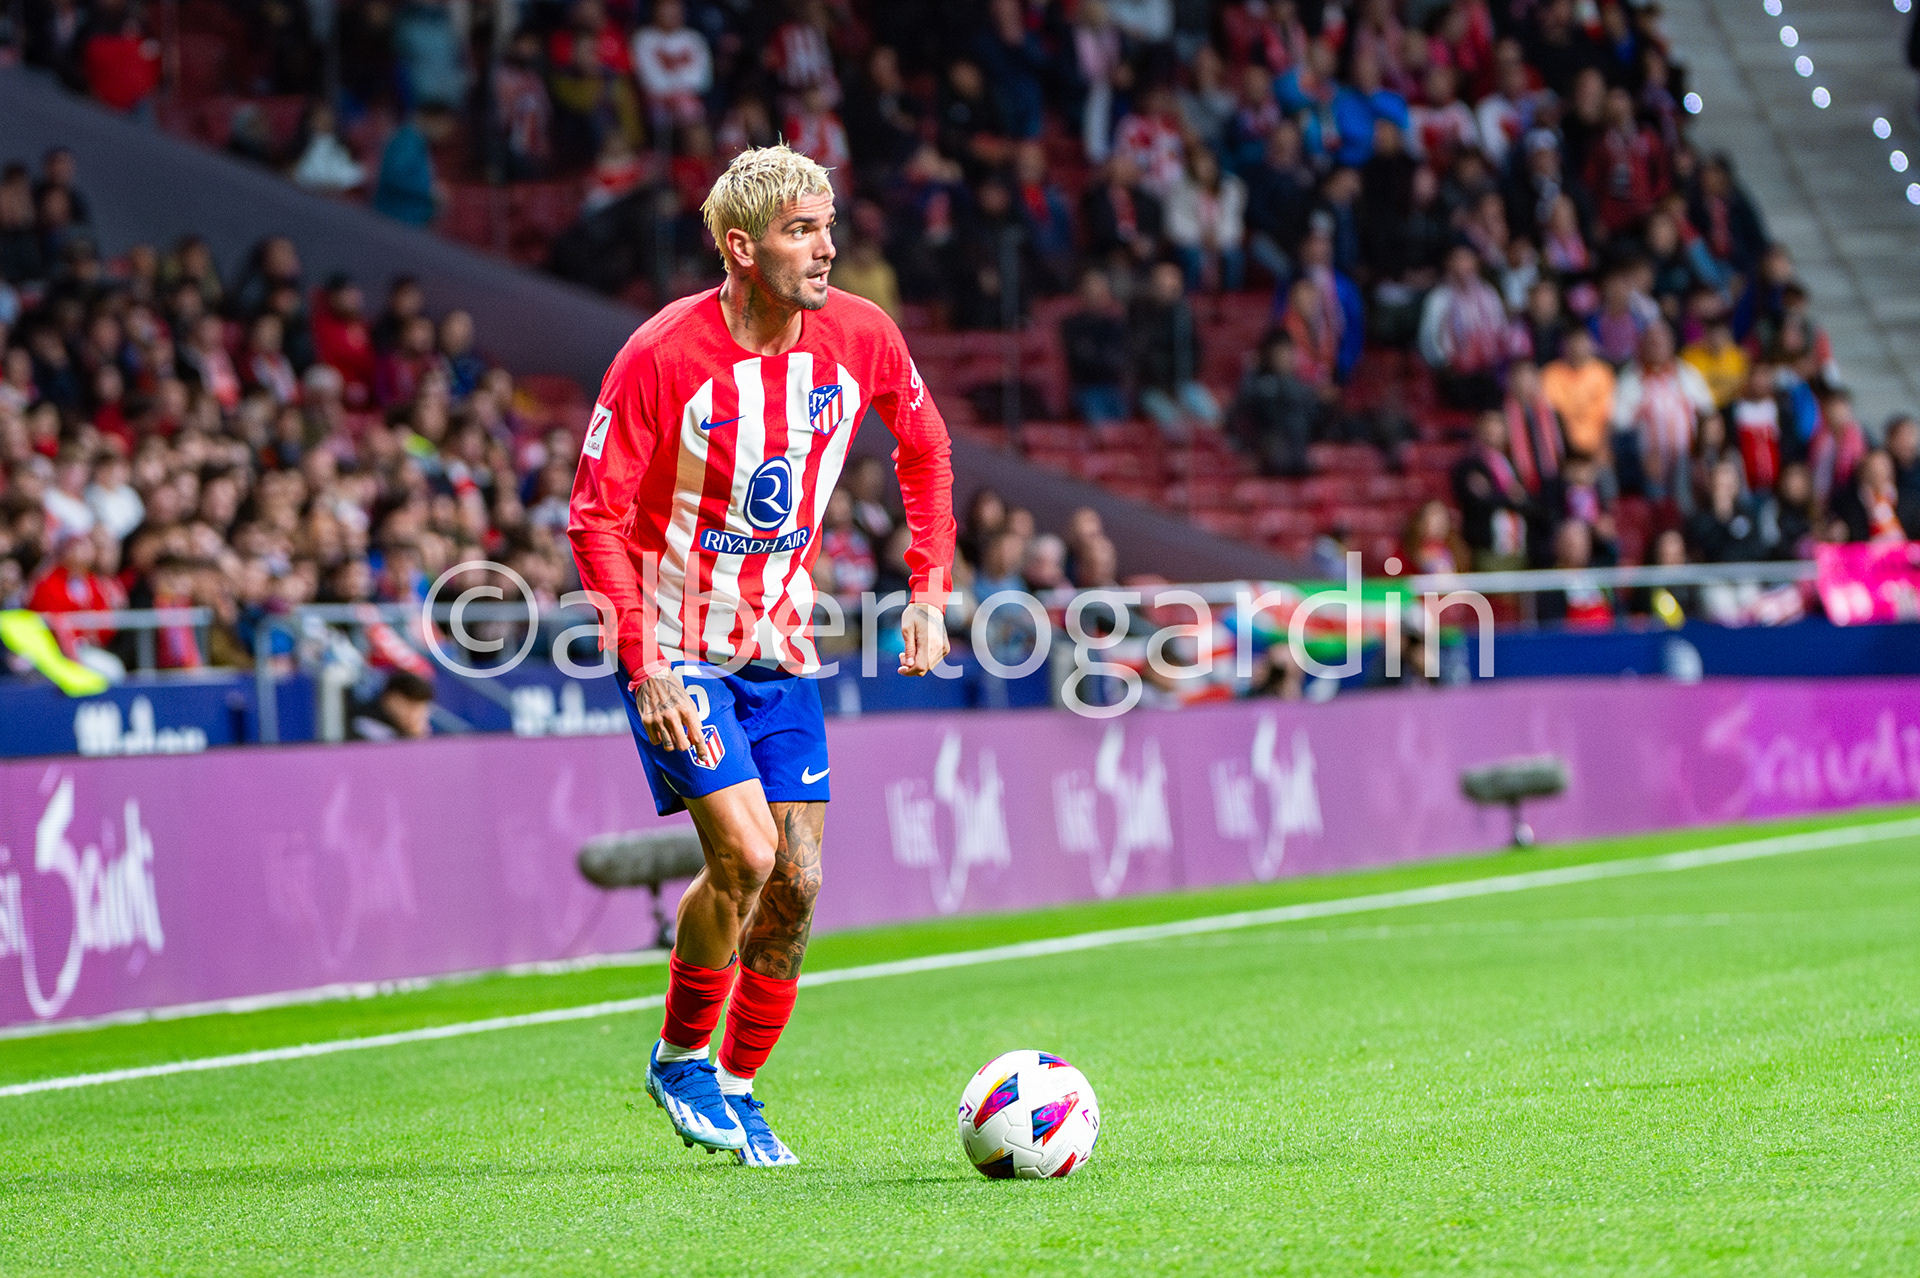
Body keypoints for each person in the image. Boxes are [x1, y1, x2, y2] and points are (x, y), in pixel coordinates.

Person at [567, 145, 956, 1168]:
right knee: (745, 855)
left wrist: (928, 591)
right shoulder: (662, 354)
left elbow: (926, 448)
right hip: (675, 641)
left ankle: (739, 1087)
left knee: (800, 883)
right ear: (741, 248)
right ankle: (681, 1059)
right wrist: (643, 663)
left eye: (828, 227)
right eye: (800, 231)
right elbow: (594, 515)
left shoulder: (862, 335)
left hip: (779, 645)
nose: (826, 249)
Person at [1060, 269, 1130, 427]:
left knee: (1125, 431)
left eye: (1100, 290)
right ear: (1081, 293)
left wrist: (1100, 358)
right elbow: (1080, 360)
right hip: (1087, 389)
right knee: (1103, 429)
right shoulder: (1071, 325)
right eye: (1091, 290)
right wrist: (1103, 359)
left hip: (1114, 388)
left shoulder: (1115, 325)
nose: (1096, 295)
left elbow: (1120, 358)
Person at [350, 669, 436, 740]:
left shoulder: (411, 729)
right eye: (412, 707)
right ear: (392, 700)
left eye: (422, 709)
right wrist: (414, 738)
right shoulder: (365, 724)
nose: (417, 715)